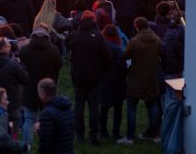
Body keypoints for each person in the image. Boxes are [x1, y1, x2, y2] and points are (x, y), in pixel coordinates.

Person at [66, 10, 110, 145]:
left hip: (78, 75)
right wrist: (102, 70)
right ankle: (93, 135)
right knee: (93, 107)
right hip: (94, 76)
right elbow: (106, 57)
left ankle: (79, 135)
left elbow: (67, 47)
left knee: (78, 106)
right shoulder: (98, 36)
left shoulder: (74, 35)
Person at [119, 16, 162, 145]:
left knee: (132, 107)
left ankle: (130, 137)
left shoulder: (134, 41)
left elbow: (125, 56)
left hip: (136, 78)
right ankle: (155, 134)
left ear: (136, 26)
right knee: (153, 106)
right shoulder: (157, 40)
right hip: (151, 77)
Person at [19, 25, 63, 146]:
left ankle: (26, 147)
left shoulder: (24, 50)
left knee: (28, 120)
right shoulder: (53, 50)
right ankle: (46, 145)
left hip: (29, 90)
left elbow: (21, 66)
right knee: (48, 120)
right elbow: (59, 65)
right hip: (48, 89)